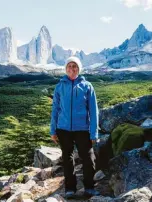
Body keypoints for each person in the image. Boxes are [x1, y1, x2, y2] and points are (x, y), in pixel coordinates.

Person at [50, 56, 100, 198]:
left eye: (75, 66)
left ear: (79, 69)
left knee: (89, 158)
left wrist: (93, 132)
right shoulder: (60, 86)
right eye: (69, 66)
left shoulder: (87, 86)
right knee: (67, 158)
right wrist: (53, 130)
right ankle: (70, 189)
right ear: (66, 69)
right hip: (63, 129)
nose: (72, 69)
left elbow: (94, 111)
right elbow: (55, 109)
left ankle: (89, 188)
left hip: (82, 129)